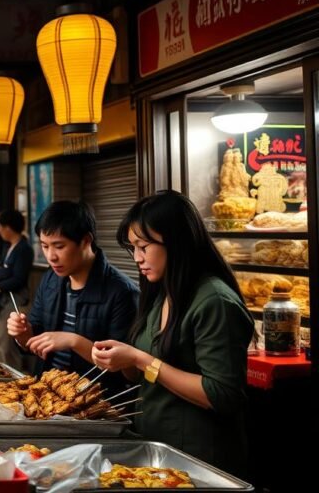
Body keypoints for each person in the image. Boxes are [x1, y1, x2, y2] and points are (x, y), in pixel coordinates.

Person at [91, 191, 254, 476]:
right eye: (133, 249)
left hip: (201, 459)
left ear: (176, 241)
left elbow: (222, 394)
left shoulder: (215, 301)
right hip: (158, 451)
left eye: (143, 247)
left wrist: (141, 359)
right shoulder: (162, 292)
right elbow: (141, 375)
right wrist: (123, 359)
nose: (137, 258)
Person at [6, 201, 138, 389]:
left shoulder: (122, 292)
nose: (51, 256)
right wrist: (23, 335)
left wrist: (74, 341)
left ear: (86, 241)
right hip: (47, 392)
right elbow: (35, 342)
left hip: (95, 398)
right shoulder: (50, 280)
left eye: (59, 246)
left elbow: (127, 369)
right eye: (45, 246)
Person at [0, 210, 34, 368]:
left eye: (0, 227)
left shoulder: (24, 249)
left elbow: (18, 278)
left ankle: (14, 377)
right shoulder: (7, 246)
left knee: (5, 346)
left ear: (8, 227)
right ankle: (1, 371)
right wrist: (5, 272)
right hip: (0, 303)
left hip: (13, 300)